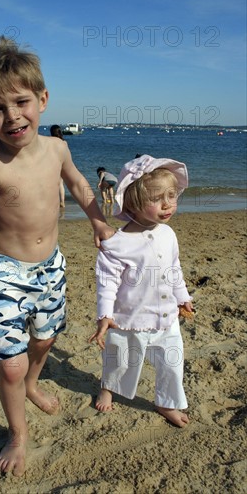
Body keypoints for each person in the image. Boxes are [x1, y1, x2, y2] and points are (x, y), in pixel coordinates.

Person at [0, 36, 115, 477]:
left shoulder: (58, 149)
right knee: (10, 363)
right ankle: (18, 432)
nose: (11, 117)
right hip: (5, 274)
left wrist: (99, 221)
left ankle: (32, 384)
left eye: (21, 102)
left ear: (42, 99)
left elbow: (81, 187)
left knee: (44, 341)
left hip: (52, 269)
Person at [89, 154, 193, 428]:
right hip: (129, 318)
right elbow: (107, 282)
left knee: (172, 361)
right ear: (133, 203)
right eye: (158, 199)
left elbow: (173, 269)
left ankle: (166, 402)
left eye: (172, 196)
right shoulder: (117, 243)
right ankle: (108, 388)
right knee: (120, 358)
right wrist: (105, 316)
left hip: (166, 318)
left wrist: (182, 297)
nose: (168, 204)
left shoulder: (168, 234)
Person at [50, 124, 66, 207]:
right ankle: (62, 201)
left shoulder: (50, 141)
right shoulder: (64, 142)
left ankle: (53, 202)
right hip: (62, 164)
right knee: (61, 184)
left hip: (53, 164)